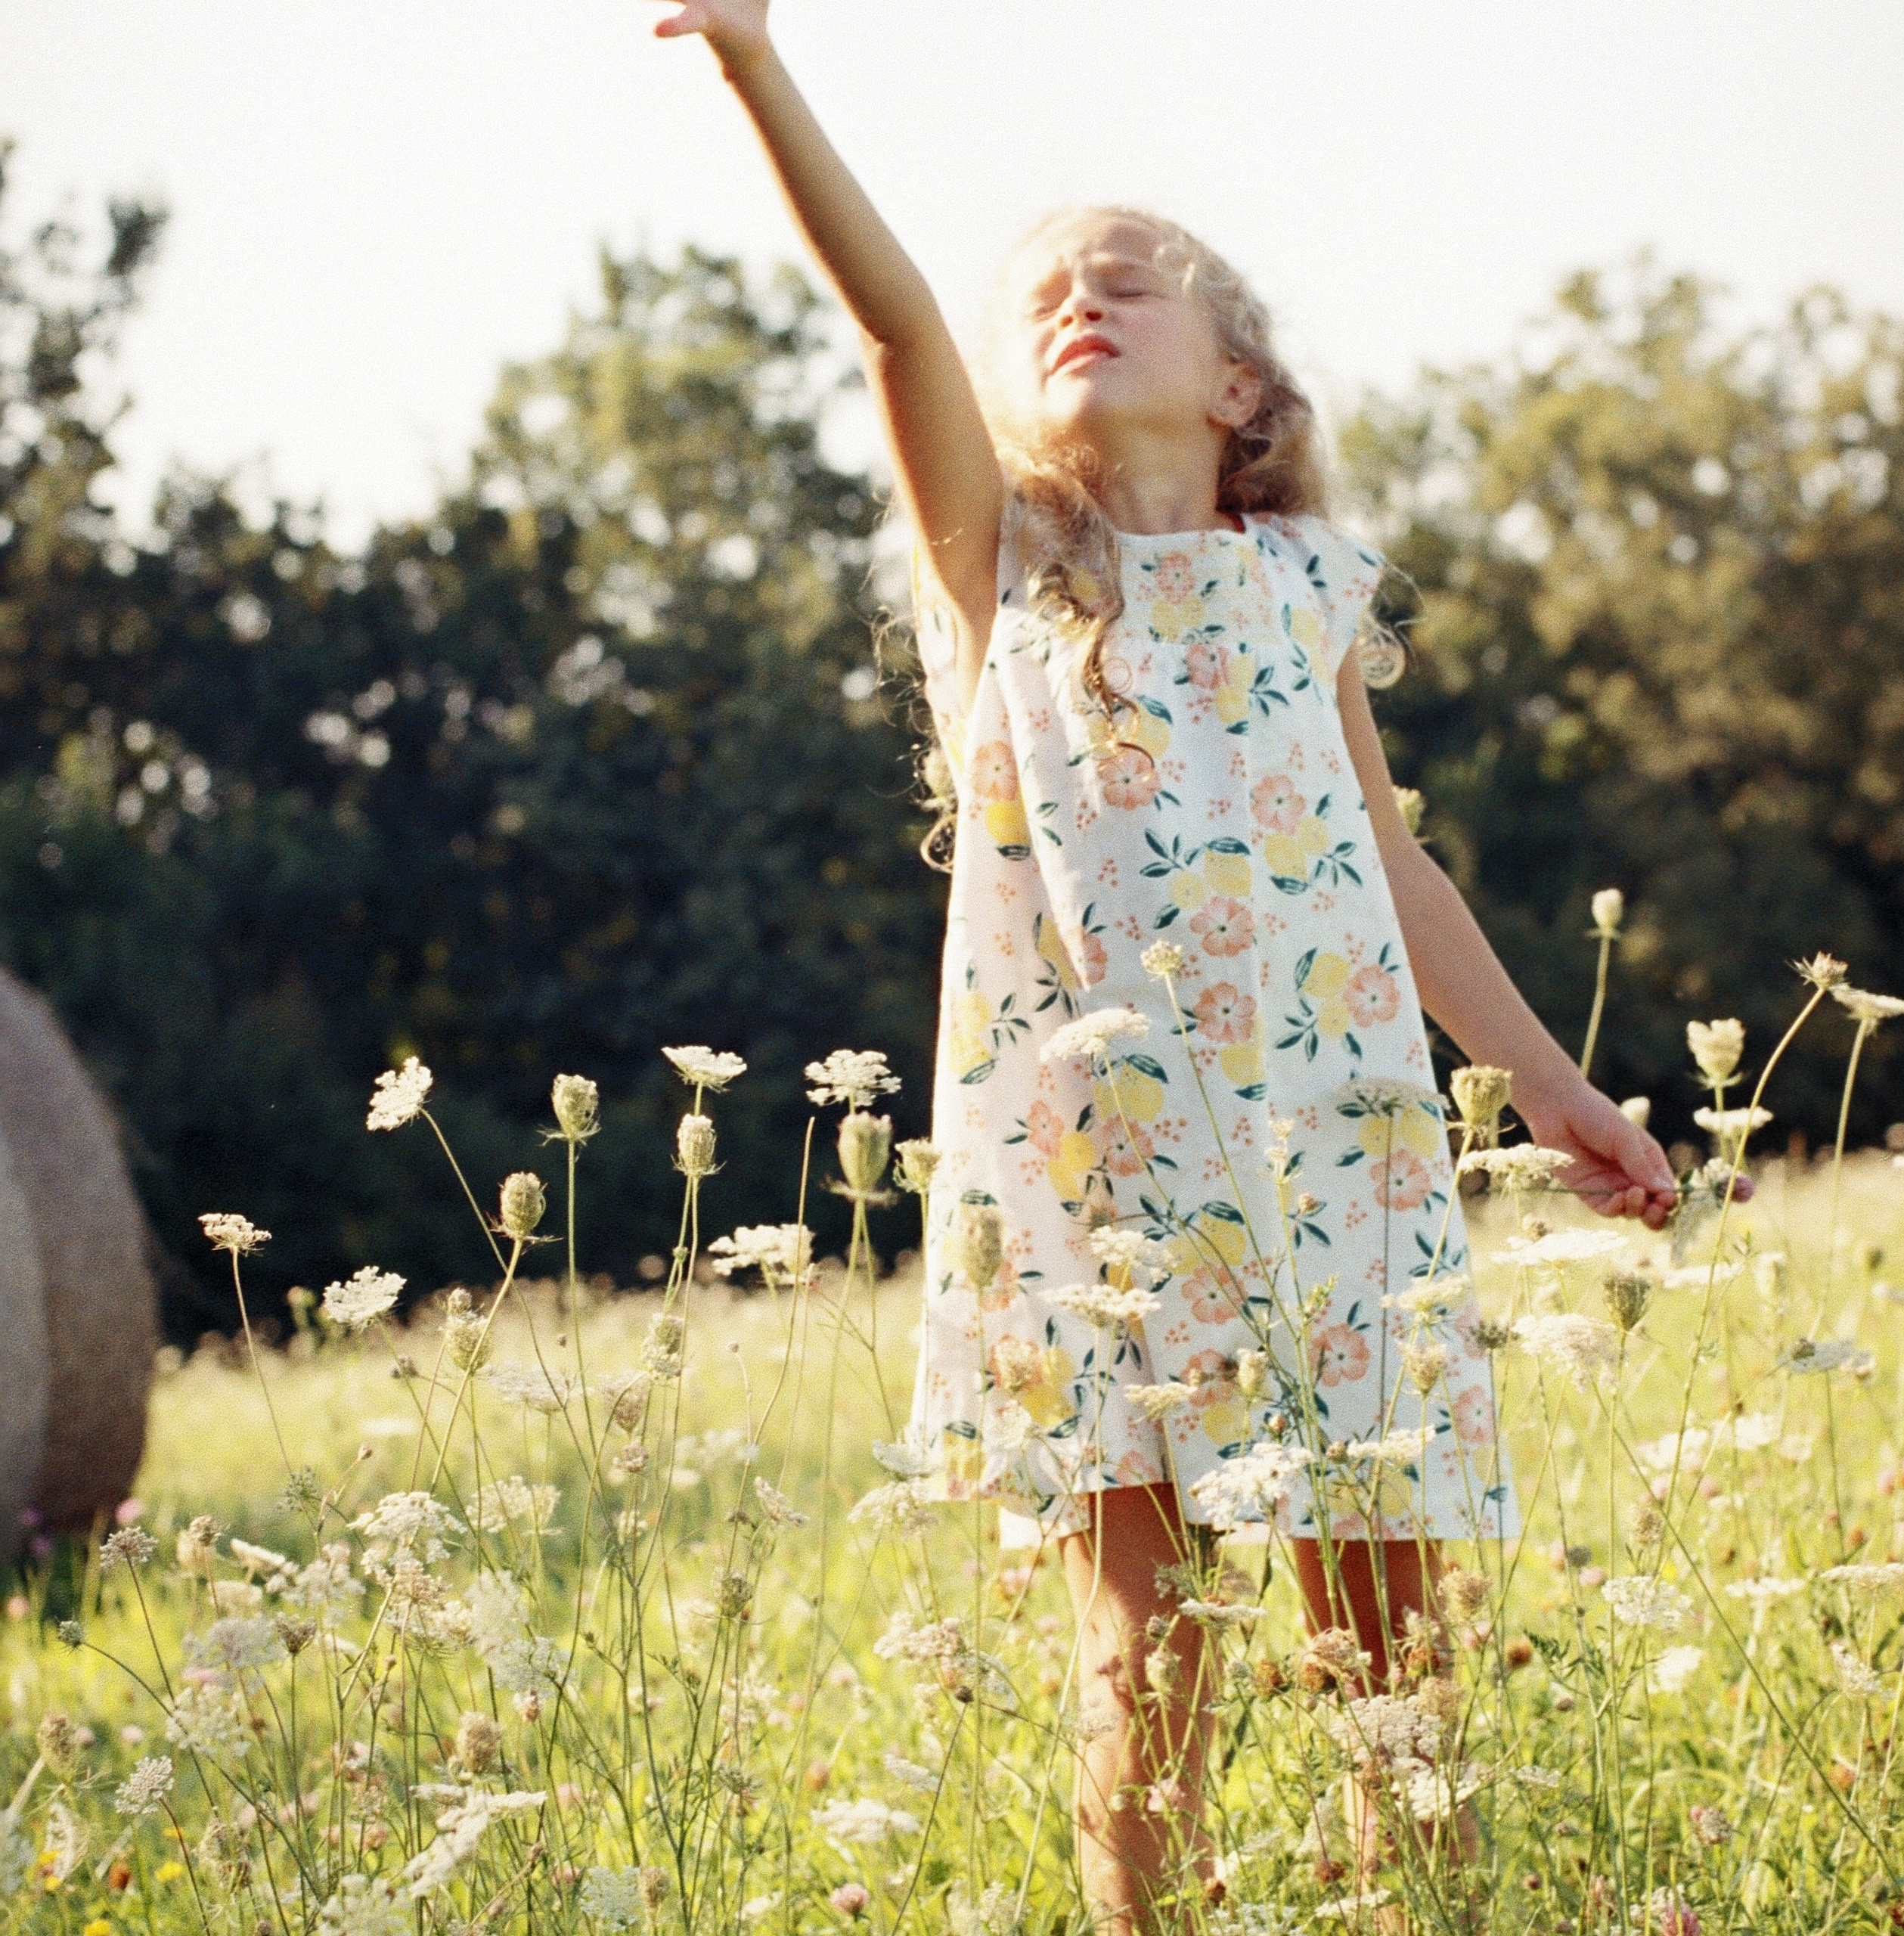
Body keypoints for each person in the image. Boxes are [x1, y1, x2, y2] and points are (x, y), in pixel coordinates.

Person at [653, 5, 1684, 1927]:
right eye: (1046, 295)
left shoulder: (1303, 586)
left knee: (1388, 1628)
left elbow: (1393, 866)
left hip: (1335, 1148)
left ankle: (1419, 1908)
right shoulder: (1007, 570)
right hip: (1098, 1181)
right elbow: (895, 333)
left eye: (1127, 280)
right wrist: (753, 66)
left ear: (1240, 387)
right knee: (1150, 1631)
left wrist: (1553, 1090)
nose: (1077, 298)